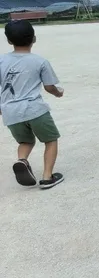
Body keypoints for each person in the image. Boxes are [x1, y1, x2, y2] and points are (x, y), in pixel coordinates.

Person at [1, 20, 64, 189]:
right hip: (34, 110)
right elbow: (49, 87)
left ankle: (22, 161)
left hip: (10, 112)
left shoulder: (1, 60)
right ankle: (47, 177)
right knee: (50, 140)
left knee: (25, 141)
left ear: (9, 41)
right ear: (34, 38)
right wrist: (58, 92)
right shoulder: (40, 61)